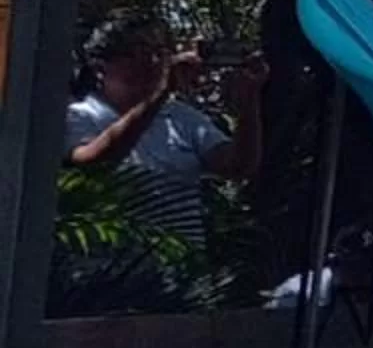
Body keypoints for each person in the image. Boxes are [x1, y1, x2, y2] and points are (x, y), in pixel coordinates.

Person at [63, 15, 267, 256]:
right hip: (103, 274)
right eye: (137, 52)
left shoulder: (182, 118)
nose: (153, 61)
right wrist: (161, 93)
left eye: (160, 51)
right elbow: (91, 164)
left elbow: (237, 166)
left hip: (177, 274)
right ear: (101, 65)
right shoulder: (78, 116)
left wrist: (249, 100)